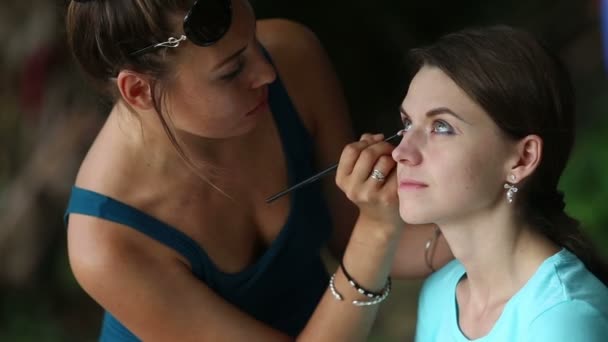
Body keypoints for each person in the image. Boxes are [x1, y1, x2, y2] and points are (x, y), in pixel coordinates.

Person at [63, 0, 453, 340]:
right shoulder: (105, 241)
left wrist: (495, 208)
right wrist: (377, 229)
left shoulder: (292, 58)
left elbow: (352, 232)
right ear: (139, 91)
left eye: (255, 41)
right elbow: (367, 239)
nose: (266, 72)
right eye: (231, 71)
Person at [382, 25, 608, 341]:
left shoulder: (562, 318)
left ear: (523, 158)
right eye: (407, 124)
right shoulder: (439, 294)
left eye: (442, 127)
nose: (402, 152)